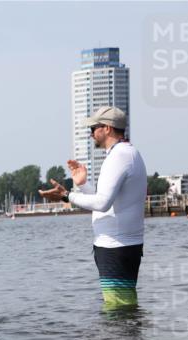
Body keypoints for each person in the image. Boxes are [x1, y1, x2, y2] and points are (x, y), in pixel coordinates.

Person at [39, 106, 146, 309]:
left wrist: (66, 195)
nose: (90, 134)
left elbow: (102, 203)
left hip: (115, 247)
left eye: (93, 128)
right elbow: (106, 202)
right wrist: (82, 184)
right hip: (120, 245)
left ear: (106, 128)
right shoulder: (128, 153)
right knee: (123, 306)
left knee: (118, 309)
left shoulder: (119, 157)